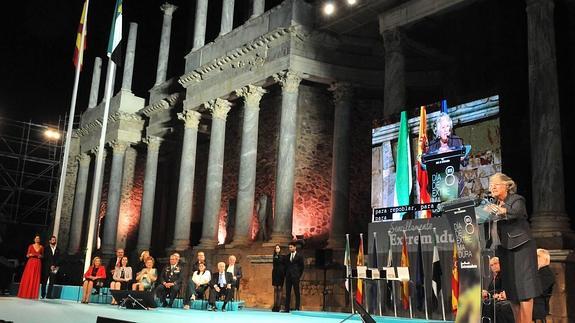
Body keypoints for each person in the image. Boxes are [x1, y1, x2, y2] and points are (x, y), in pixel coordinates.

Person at [487, 173, 540, 323]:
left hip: (521, 248)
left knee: (524, 290)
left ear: (507, 185)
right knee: (512, 292)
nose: (493, 187)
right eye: (491, 185)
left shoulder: (517, 199)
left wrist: (498, 211)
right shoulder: (495, 204)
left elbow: (516, 212)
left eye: (496, 184)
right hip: (504, 250)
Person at [481, 257, 514, 323]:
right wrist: (487, 293)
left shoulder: (505, 274)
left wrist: (491, 294)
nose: (493, 266)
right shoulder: (495, 277)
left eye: (495, 263)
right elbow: (494, 289)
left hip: (505, 297)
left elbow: (503, 289)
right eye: (491, 265)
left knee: (493, 304)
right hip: (495, 298)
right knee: (486, 302)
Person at [17, 235, 43, 299]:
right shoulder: (31, 246)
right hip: (31, 262)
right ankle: (25, 293)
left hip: (37, 262)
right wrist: (30, 255)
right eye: (36, 238)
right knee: (29, 276)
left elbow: (42, 255)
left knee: (35, 277)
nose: (37, 239)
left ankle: (33, 294)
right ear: (34, 239)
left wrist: (41, 256)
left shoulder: (41, 247)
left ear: (39, 240)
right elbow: (27, 255)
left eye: (38, 238)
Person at [533, 249, 555, 320]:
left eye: (538, 256)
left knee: (504, 309)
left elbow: (537, 291)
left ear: (546, 260)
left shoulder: (547, 274)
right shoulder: (537, 273)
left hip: (537, 306)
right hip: (530, 303)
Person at [283, 241, 304, 312]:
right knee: (287, 292)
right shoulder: (287, 256)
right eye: (289, 247)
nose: (290, 248)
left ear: (295, 247)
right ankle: (287, 308)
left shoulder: (299, 256)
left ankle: (297, 308)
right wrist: (286, 274)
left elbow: (302, 267)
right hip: (288, 277)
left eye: (291, 247)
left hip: (295, 277)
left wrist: (298, 275)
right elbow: (285, 267)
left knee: (296, 292)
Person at [272, 244, 285, 312]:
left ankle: (278, 306)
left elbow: (283, 266)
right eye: (276, 248)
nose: (277, 249)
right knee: (275, 289)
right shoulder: (274, 256)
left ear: (280, 249)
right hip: (274, 274)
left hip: (280, 274)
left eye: (278, 248)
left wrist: (283, 273)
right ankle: (274, 305)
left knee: (279, 288)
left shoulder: (282, 256)